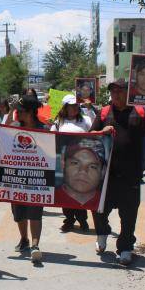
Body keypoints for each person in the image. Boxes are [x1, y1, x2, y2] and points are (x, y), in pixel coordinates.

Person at [90, 78, 145, 265]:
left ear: (127, 92)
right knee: (98, 210)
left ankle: (125, 247)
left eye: (119, 91)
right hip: (106, 174)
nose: (115, 94)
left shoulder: (139, 112)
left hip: (131, 174)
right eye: (113, 91)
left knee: (129, 214)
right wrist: (101, 132)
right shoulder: (104, 113)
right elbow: (90, 136)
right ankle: (102, 233)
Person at [8, 95, 47, 263]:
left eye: (20, 111)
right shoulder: (14, 126)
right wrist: (10, 111)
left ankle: (35, 245)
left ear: (31, 112)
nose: (17, 113)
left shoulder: (44, 129)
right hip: (16, 176)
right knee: (19, 211)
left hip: (38, 178)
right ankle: (24, 239)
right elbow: (2, 131)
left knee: (35, 210)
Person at [51, 94, 94, 232]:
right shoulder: (58, 122)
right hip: (65, 161)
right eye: (71, 106)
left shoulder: (86, 120)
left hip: (83, 162)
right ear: (65, 108)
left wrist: (90, 108)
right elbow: (52, 138)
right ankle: (69, 219)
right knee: (66, 191)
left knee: (80, 190)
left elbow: (95, 130)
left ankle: (82, 219)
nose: (74, 108)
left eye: (76, 105)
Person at [54, 138, 106, 209]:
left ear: (103, 171)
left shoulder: (106, 202)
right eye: (75, 163)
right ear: (63, 164)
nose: (83, 171)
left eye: (92, 166)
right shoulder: (50, 197)